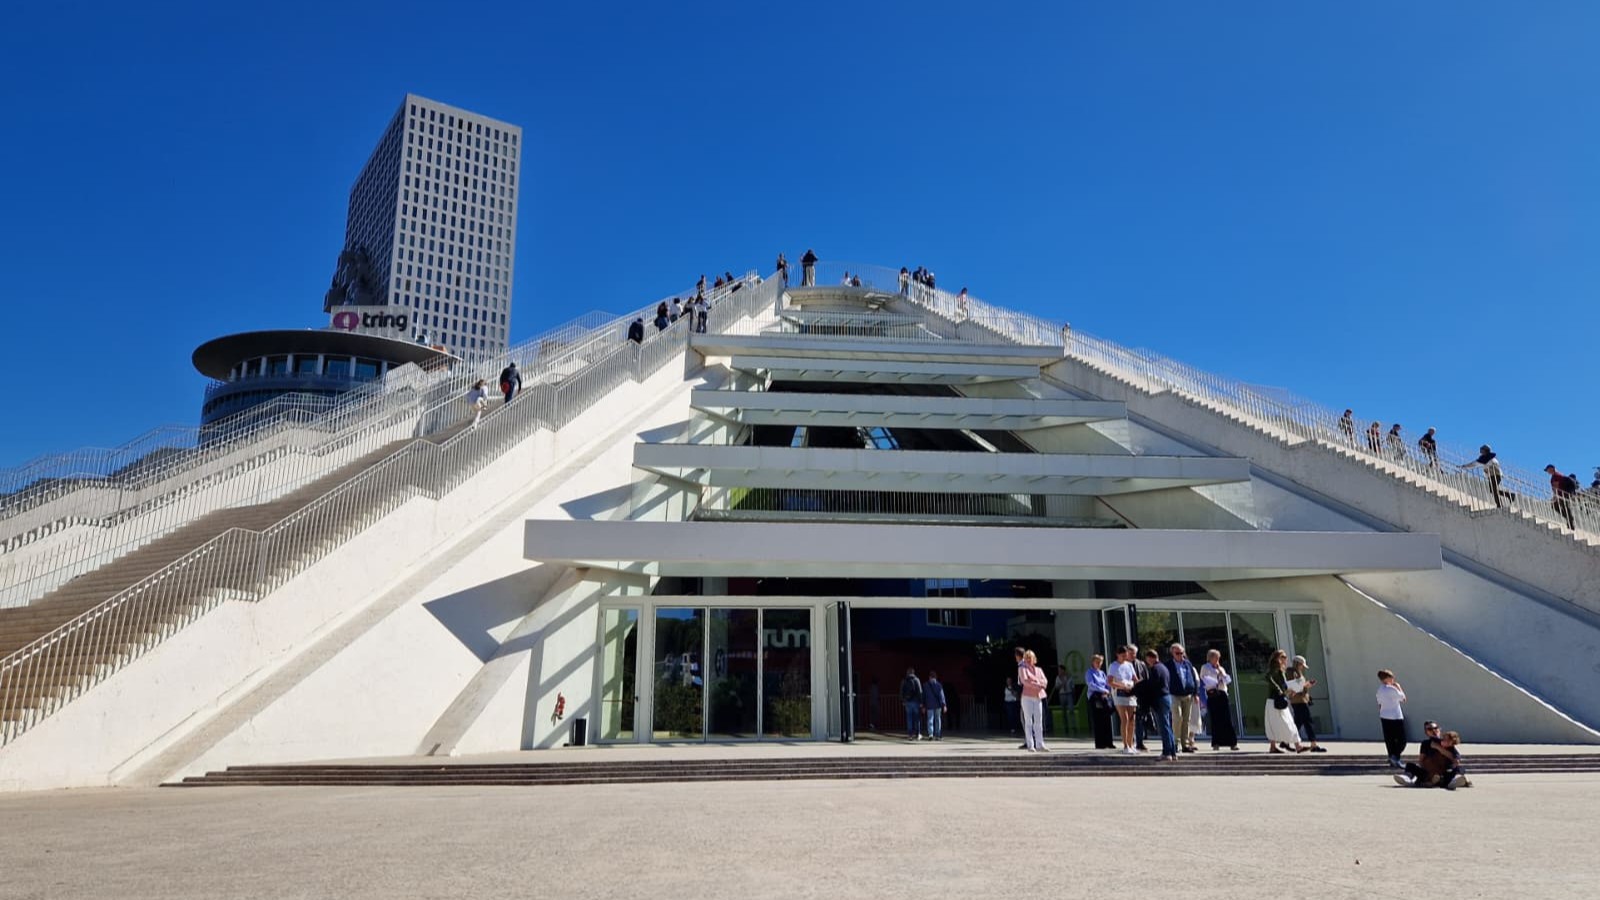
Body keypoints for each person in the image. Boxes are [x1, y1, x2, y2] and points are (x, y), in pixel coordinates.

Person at [1394, 729, 1466, 790]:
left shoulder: (1452, 750)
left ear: (1452, 743)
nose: (1444, 741)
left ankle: (1454, 781)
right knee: (1410, 765)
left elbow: (1457, 760)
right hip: (1427, 772)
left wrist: (1440, 749)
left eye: (1448, 740)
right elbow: (1431, 737)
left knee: (1459, 768)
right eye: (1444, 738)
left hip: (1442, 774)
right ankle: (1406, 778)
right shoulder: (1434, 741)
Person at [1264, 650, 1304, 753]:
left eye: (1285, 657)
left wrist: (1291, 691)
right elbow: (1268, 677)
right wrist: (1279, 690)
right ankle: (1296, 745)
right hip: (1275, 700)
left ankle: (1296, 745)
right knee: (1283, 723)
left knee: (1286, 722)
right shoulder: (1275, 668)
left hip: (1278, 700)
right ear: (1277, 658)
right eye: (1283, 657)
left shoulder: (1281, 669)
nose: (1285, 659)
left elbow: (1284, 685)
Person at [1165, 643, 1201, 754]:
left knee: (1186, 720)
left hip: (1188, 695)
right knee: (1177, 718)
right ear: (1172, 653)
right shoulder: (1168, 665)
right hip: (1174, 694)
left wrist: (1195, 693)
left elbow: (1193, 679)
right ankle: (1175, 743)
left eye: (1182, 653)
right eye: (1177, 653)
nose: (1180, 655)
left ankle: (1185, 744)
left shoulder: (1187, 664)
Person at [1141, 649, 1178, 760]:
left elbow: (1153, 685)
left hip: (1160, 698)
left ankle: (1167, 752)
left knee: (1164, 726)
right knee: (1168, 725)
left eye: (1147, 659)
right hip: (1167, 697)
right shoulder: (1164, 668)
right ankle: (1172, 752)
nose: (1147, 662)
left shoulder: (1155, 669)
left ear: (1150, 658)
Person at [1286, 655, 1325, 752]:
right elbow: (1295, 688)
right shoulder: (1293, 672)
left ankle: (1286, 741)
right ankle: (1313, 744)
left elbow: (1297, 686)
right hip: (1299, 701)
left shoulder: (1294, 672)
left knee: (1298, 723)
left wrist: (1306, 686)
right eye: (1302, 665)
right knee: (1308, 722)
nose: (1303, 667)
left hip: (1299, 700)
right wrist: (1306, 686)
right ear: (1298, 664)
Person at [1200, 649, 1238, 750]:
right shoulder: (1205, 667)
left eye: (1218, 658)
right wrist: (1214, 679)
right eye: (1216, 657)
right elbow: (1203, 678)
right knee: (1215, 719)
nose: (1217, 660)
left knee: (1227, 719)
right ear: (1211, 658)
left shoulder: (1221, 668)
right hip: (1212, 694)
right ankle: (1216, 743)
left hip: (1222, 693)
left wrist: (1222, 673)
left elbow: (1227, 680)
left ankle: (1232, 743)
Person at [1108, 645, 1140, 754]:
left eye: (1125, 656)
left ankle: (1131, 744)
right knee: (1125, 718)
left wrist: (1136, 686)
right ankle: (1125, 745)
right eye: (1122, 656)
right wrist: (1122, 686)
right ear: (1118, 655)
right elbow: (1110, 681)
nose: (1124, 658)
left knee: (1132, 720)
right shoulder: (1113, 666)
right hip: (1119, 693)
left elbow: (1135, 679)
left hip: (1130, 694)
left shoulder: (1129, 665)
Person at [1459, 444, 1512, 508]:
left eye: (1482, 450)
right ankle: (1509, 496)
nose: (1480, 451)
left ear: (1485, 451)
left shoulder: (1487, 458)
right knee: (1493, 490)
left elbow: (1474, 464)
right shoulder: (1489, 458)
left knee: (1493, 490)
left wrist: (1464, 466)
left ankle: (1499, 505)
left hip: (1495, 475)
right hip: (1494, 475)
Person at [1017, 650, 1050, 752]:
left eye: (1030, 657)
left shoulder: (1039, 669)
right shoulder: (1022, 668)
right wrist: (1038, 684)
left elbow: (1045, 681)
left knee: (1039, 721)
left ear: (1034, 659)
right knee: (1028, 721)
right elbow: (1025, 681)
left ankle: (1040, 744)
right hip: (1027, 697)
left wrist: (1037, 683)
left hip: (1038, 697)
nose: (1029, 659)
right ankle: (1030, 744)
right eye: (1027, 657)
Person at [1376, 668, 1408, 767]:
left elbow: (1379, 704)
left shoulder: (1380, 690)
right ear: (1387, 678)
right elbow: (1403, 699)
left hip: (1384, 716)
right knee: (1402, 740)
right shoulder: (1391, 689)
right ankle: (1395, 757)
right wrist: (1398, 687)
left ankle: (1392, 757)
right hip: (1395, 716)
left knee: (1390, 739)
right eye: (1391, 677)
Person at [1086, 653, 1115, 749]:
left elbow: (1107, 684)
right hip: (1096, 696)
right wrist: (1103, 690)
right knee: (1098, 720)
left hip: (1105, 696)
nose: (1099, 664)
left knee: (1107, 719)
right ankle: (1100, 743)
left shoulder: (1102, 673)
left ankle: (1108, 742)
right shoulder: (1089, 672)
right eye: (1097, 662)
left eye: (1100, 662)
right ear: (1093, 662)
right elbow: (1091, 685)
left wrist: (1108, 691)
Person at [1545, 464, 1580, 531]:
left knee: (1563, 507)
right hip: (1564, 494)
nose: (1548, 471)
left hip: (1563, 494)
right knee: (1559, 506)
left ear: (1552, 468)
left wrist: (1555, 496)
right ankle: (1569, 519)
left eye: (1548, 469)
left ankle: (1570, 520)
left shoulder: (1556, 476)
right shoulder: (1556, 475)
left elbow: (1556, 487)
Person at [899, 668, 923, 741]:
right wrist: (921, 702)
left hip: (907, 702)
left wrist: (903, 700)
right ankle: (917, 734)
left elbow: (901, 691)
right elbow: (920, 691)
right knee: (917, 719)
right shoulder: (916, 680)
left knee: (909, 719)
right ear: (913, 672)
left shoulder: (904, 680)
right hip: (915, 702)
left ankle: (910, 735)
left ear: (907, 672)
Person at [923, 670, 947, 741]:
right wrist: (944, 705)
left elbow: (923, 696)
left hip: (929, 705)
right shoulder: (939, 685)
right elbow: (942, 696)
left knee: (930, 719)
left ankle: (930, 734)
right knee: (937, 720)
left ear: (929, 677)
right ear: (936, 677)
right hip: (938, 705)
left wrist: (923, 706)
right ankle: (938, 734)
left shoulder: (925, 685)